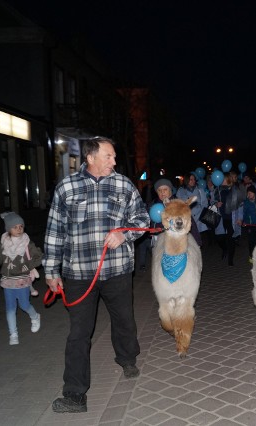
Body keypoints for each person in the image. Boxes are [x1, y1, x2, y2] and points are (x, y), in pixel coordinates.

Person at [43, 137, 150, 413]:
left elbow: (142, 219)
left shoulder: (124, 184)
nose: (114, 161)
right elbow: (55, 231)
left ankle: (127, 358)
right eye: (109, 156)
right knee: (79, 333)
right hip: (79, 273)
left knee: (124, 319)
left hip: (116, 270)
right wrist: (51, 270)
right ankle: (75, 394)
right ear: (91, 157)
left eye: (114, 157)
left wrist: (124, 233)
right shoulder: (66, 187)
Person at [0, 212, 43, 345]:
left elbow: (38, 256)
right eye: (15, 227)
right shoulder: (3, 243)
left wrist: (29, 265)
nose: (18, 229)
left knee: (24, 305)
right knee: (10, 308)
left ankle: (35, 317)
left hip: (22, 279)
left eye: (21, 226)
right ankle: (13, 333)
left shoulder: (27, 243)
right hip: (7, 280)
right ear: (8, 228)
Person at [135, 178, 175, 272]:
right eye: (159, 190)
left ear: (170, 190)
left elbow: (189, 222)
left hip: (174, 241)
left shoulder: (177, 204)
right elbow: (148, 221)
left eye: (165, 190)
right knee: (161, 266)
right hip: (158, 242)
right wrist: (150, 230)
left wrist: (197, 241)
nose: (162, 193)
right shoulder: (153, 204)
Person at [176, 172, 207, 247]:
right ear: (186, 180)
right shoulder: (181, 191)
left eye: (194, 179)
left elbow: (205, 203)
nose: (193, 181)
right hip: (188, 218)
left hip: (199, 217)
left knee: (198, 239)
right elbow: (179, 204)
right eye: (191, 179)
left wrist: (201, 211)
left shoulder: (200, 190)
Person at [241, 185, 256, 263]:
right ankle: (251, 255)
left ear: (254, 193)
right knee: (251, 241)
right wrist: (243, 221)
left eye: (250, 193)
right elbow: (243, 213)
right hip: (250, 225)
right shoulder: (246, 203)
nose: (249, 194)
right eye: (248, 193)